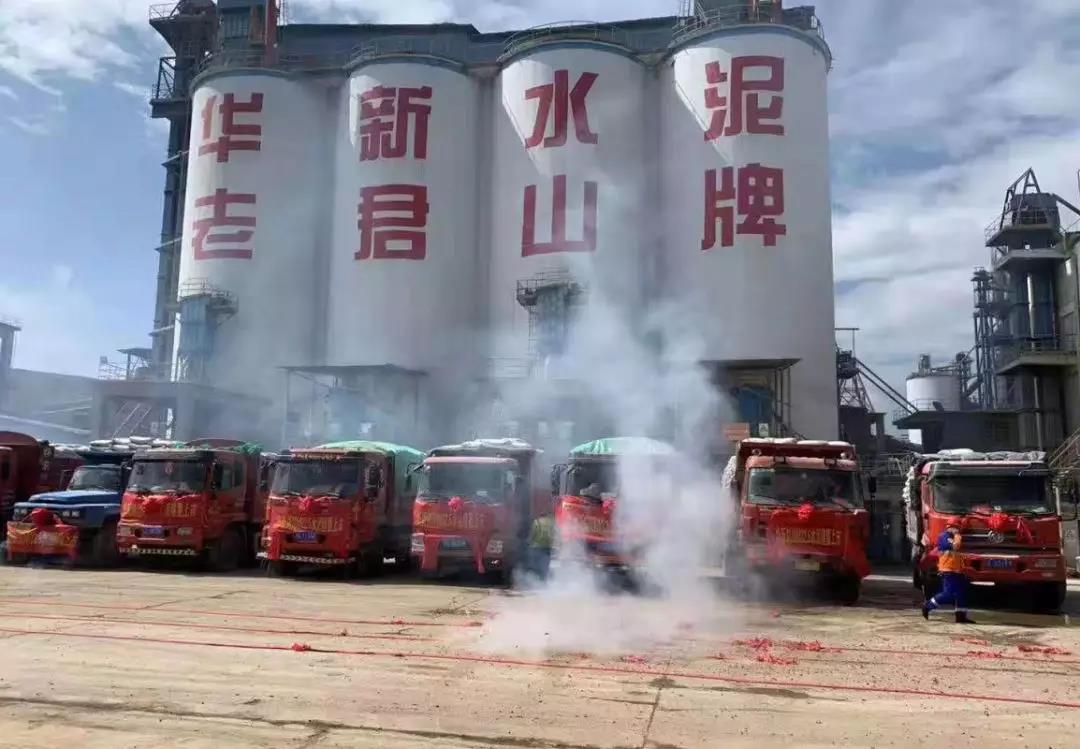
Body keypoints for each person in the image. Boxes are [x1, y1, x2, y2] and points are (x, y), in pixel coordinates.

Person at [922, 524, 975, 624]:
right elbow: (955, 546)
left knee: (961, 594)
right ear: (950, 527)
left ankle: (961, 616)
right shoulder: (945, 536)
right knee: (948, 594)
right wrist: (958, 536)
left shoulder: (954, 537)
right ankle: (928, 606)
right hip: (948, 570)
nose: (958, 530)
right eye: (957, 528)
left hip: (958, 570)